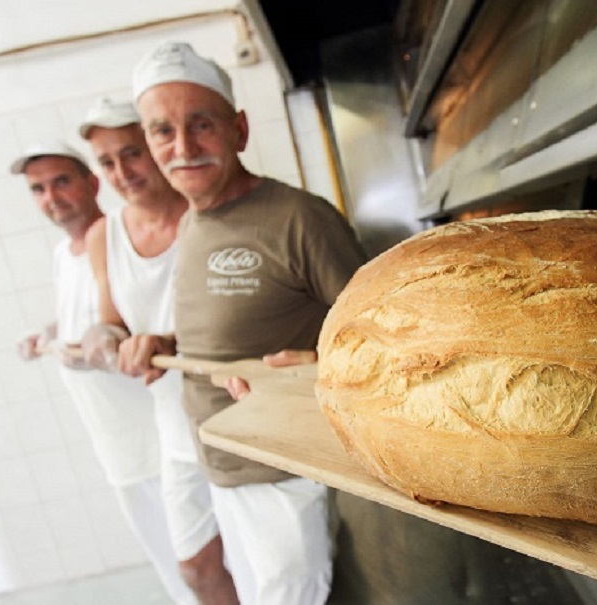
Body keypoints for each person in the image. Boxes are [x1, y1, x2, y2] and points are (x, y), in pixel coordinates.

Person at [121, 41, 370, 605]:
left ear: (239, 130)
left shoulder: (299, 220)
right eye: (163, 131)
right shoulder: (193, 223)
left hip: (283, 474)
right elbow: (234, 326)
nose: (183, 147)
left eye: (201, 124)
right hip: (220, 459)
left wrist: (317, 364)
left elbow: (383, 338)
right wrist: (165, 342)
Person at [11, 142, 198, 605]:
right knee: (167, 560)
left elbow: (121, 328)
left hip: (154, 431)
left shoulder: (118, 241)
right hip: (112, 439)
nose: (51, 197)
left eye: (61, 181)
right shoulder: (63, 254)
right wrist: (49, 334)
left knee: (197, 559)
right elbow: (82, 314)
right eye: (38, 189)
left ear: (92, 183)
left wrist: (85, 351)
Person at [76, 97, 239, 604]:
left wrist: (168, 340)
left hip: (239, 416)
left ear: (156, 145)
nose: (122, 172)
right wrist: (103, 346)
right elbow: (110, 323)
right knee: (195, 567)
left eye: (132, 152)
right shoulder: (105, 235)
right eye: (107, 162)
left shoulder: (209, 216)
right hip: (175, 425)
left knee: (261, 561)